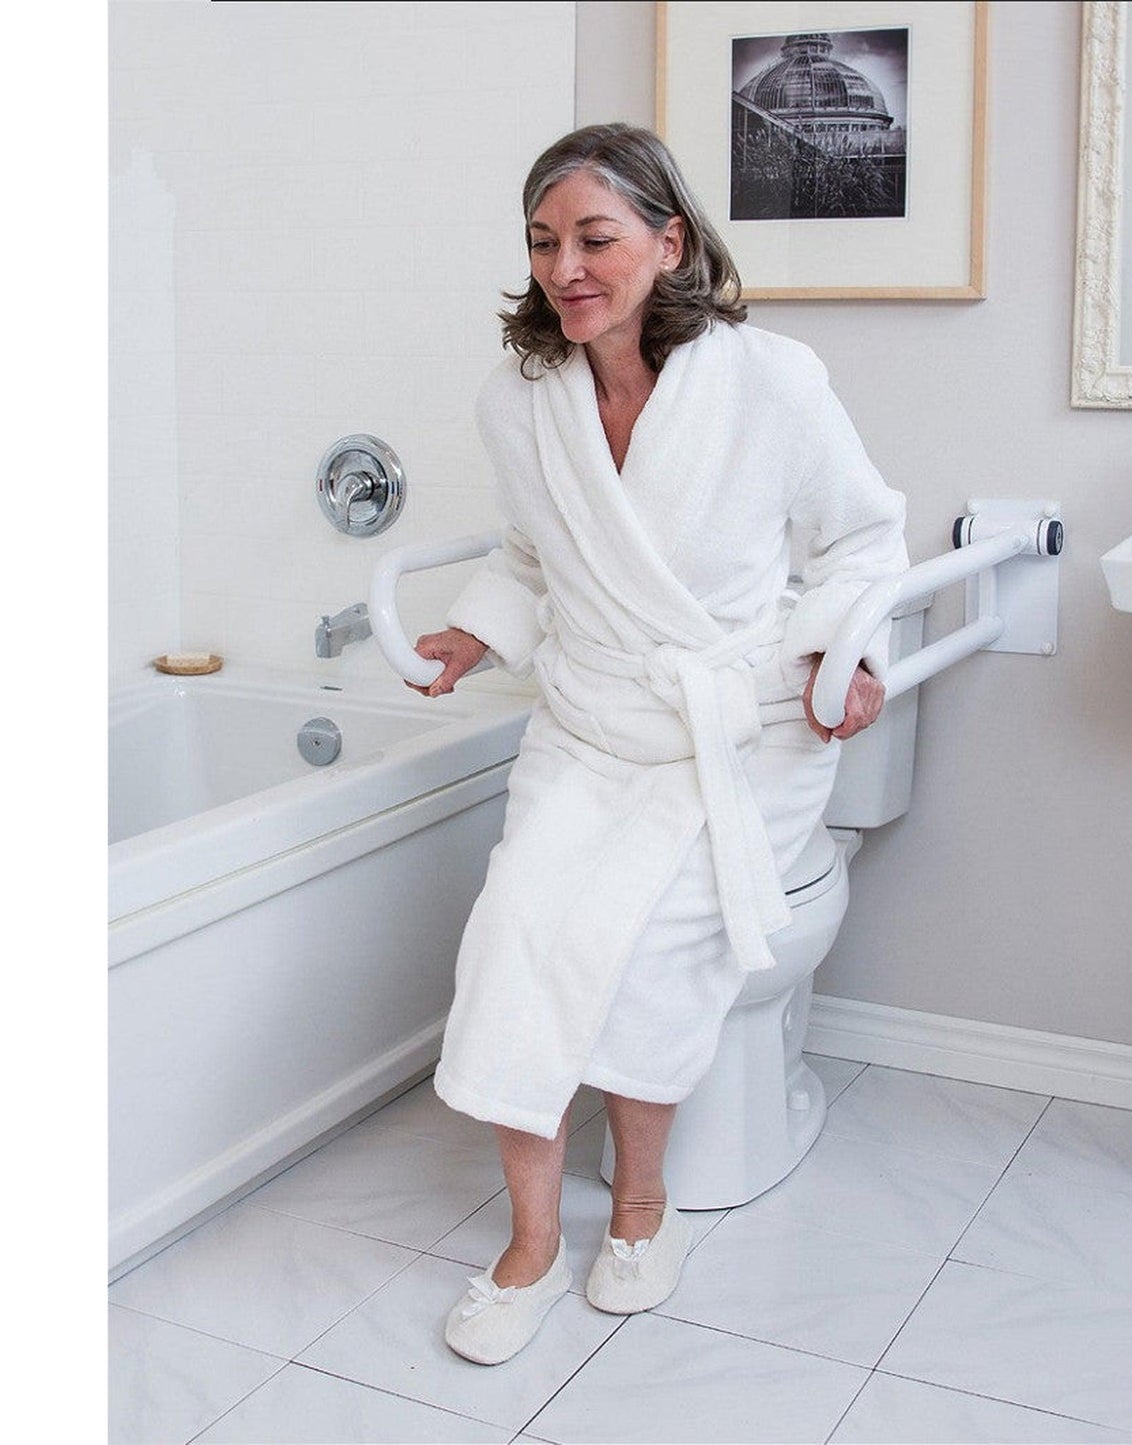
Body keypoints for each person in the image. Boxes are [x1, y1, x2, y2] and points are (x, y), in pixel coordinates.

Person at [409, 123, 907, 1366]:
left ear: (668, 241)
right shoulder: (519, 401)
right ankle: (529, 1244)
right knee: (515, 933)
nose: (564, 267)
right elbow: (532, 553)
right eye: (542, 242)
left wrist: (843, 657)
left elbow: (859, 541)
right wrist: (475, 631)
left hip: (731, 737)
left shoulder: (771, 381)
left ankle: (640, 1208)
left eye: (594, 237)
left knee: (640, 956)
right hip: (588, 721)